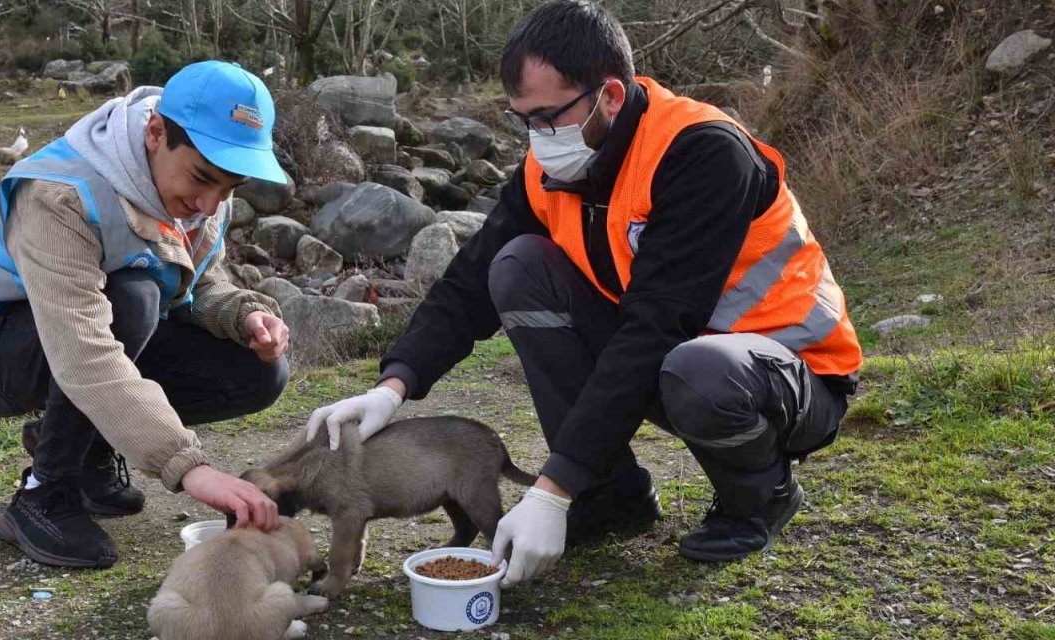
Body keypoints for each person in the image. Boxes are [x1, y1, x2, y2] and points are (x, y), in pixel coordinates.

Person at [304, 0, 862, 588]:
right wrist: (394, 387)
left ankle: (759, 497)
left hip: (789, 376)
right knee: (517, 266)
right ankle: (611, 497)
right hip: (680, 362)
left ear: (611, 97)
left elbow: (658, 324)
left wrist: (551, 487)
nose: (535, 136)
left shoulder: (703, 153)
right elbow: (469, 281)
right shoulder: (555, 164)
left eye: (547, 116)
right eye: (522, 119)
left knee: (698, 367)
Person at [0, 61, 291, 569]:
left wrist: (243, 313)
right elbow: (83, 352)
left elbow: (199, 280)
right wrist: (191, 468)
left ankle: (86, 444)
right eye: (203, 179)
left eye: (230, 188)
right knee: (133, 299)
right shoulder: (60, 193)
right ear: (156, 131)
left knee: (257, 370)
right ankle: (43, 492)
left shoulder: (202, 193)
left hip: (92, 334)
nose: (209, 202)